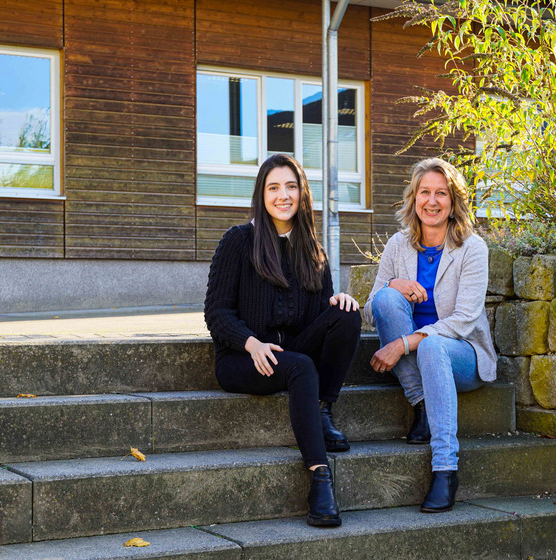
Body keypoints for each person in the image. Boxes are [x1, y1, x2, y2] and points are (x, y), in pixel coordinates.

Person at [204, 153, 362, 528]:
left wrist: (339, 302)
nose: (283, 195)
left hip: (292, 353)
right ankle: (320, 479)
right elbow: (216, 313)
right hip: (243, 360)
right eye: (274, 187)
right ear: (262, 194)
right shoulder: (238, 241)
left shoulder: (313, 249)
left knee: (348, 314)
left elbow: (320, 310)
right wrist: (251, 343)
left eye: (291, 186)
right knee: (301, 366)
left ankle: (322, 411)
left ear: (302, 193)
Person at [362, 157, 497, 513]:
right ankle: (422, 403)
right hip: (418, 361)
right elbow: (370, 308)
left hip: (461, 356)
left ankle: (445, 469)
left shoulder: (472, 249)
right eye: (425, 192)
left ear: (454, 202)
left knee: (433, 344)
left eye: (441, 193)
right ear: (414, 198)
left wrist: (404, 343)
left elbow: (465, 319)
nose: (432, 201)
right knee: (388, 299)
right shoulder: (397, 245)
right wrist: (394, 283)